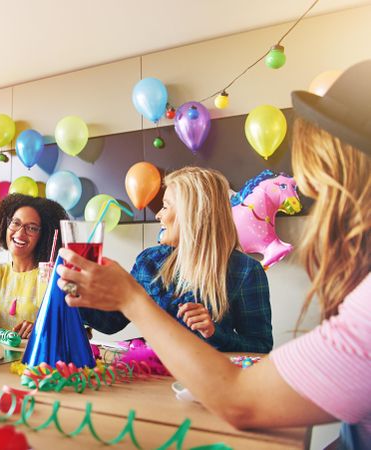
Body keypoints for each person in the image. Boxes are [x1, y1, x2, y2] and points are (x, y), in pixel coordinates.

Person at [57, 61, 370, 449]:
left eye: (323, 189)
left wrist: (208, 329)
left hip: (211, 411)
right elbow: (109, 322)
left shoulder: (244, 273)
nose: (319, 209)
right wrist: (73, 297)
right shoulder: (151, 261)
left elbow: (249, 379)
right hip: (150, 398)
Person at [78, 167, 273, 353]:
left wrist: (215, 333)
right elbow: (112, 321)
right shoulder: (149, 261)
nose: (158, 215)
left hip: (206, 384)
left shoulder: (247, 270)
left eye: (165, 206)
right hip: (151, 377)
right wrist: (72, 293)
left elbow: (261, 346)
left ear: (193, 214)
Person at [0, 194, 69, 338]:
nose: (20, 233)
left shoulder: (50, 275)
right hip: (0, 359)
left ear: (44, 235)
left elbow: (68, 329)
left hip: (38, 359)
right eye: (15, 223)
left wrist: (40, 330)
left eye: (32, 228)